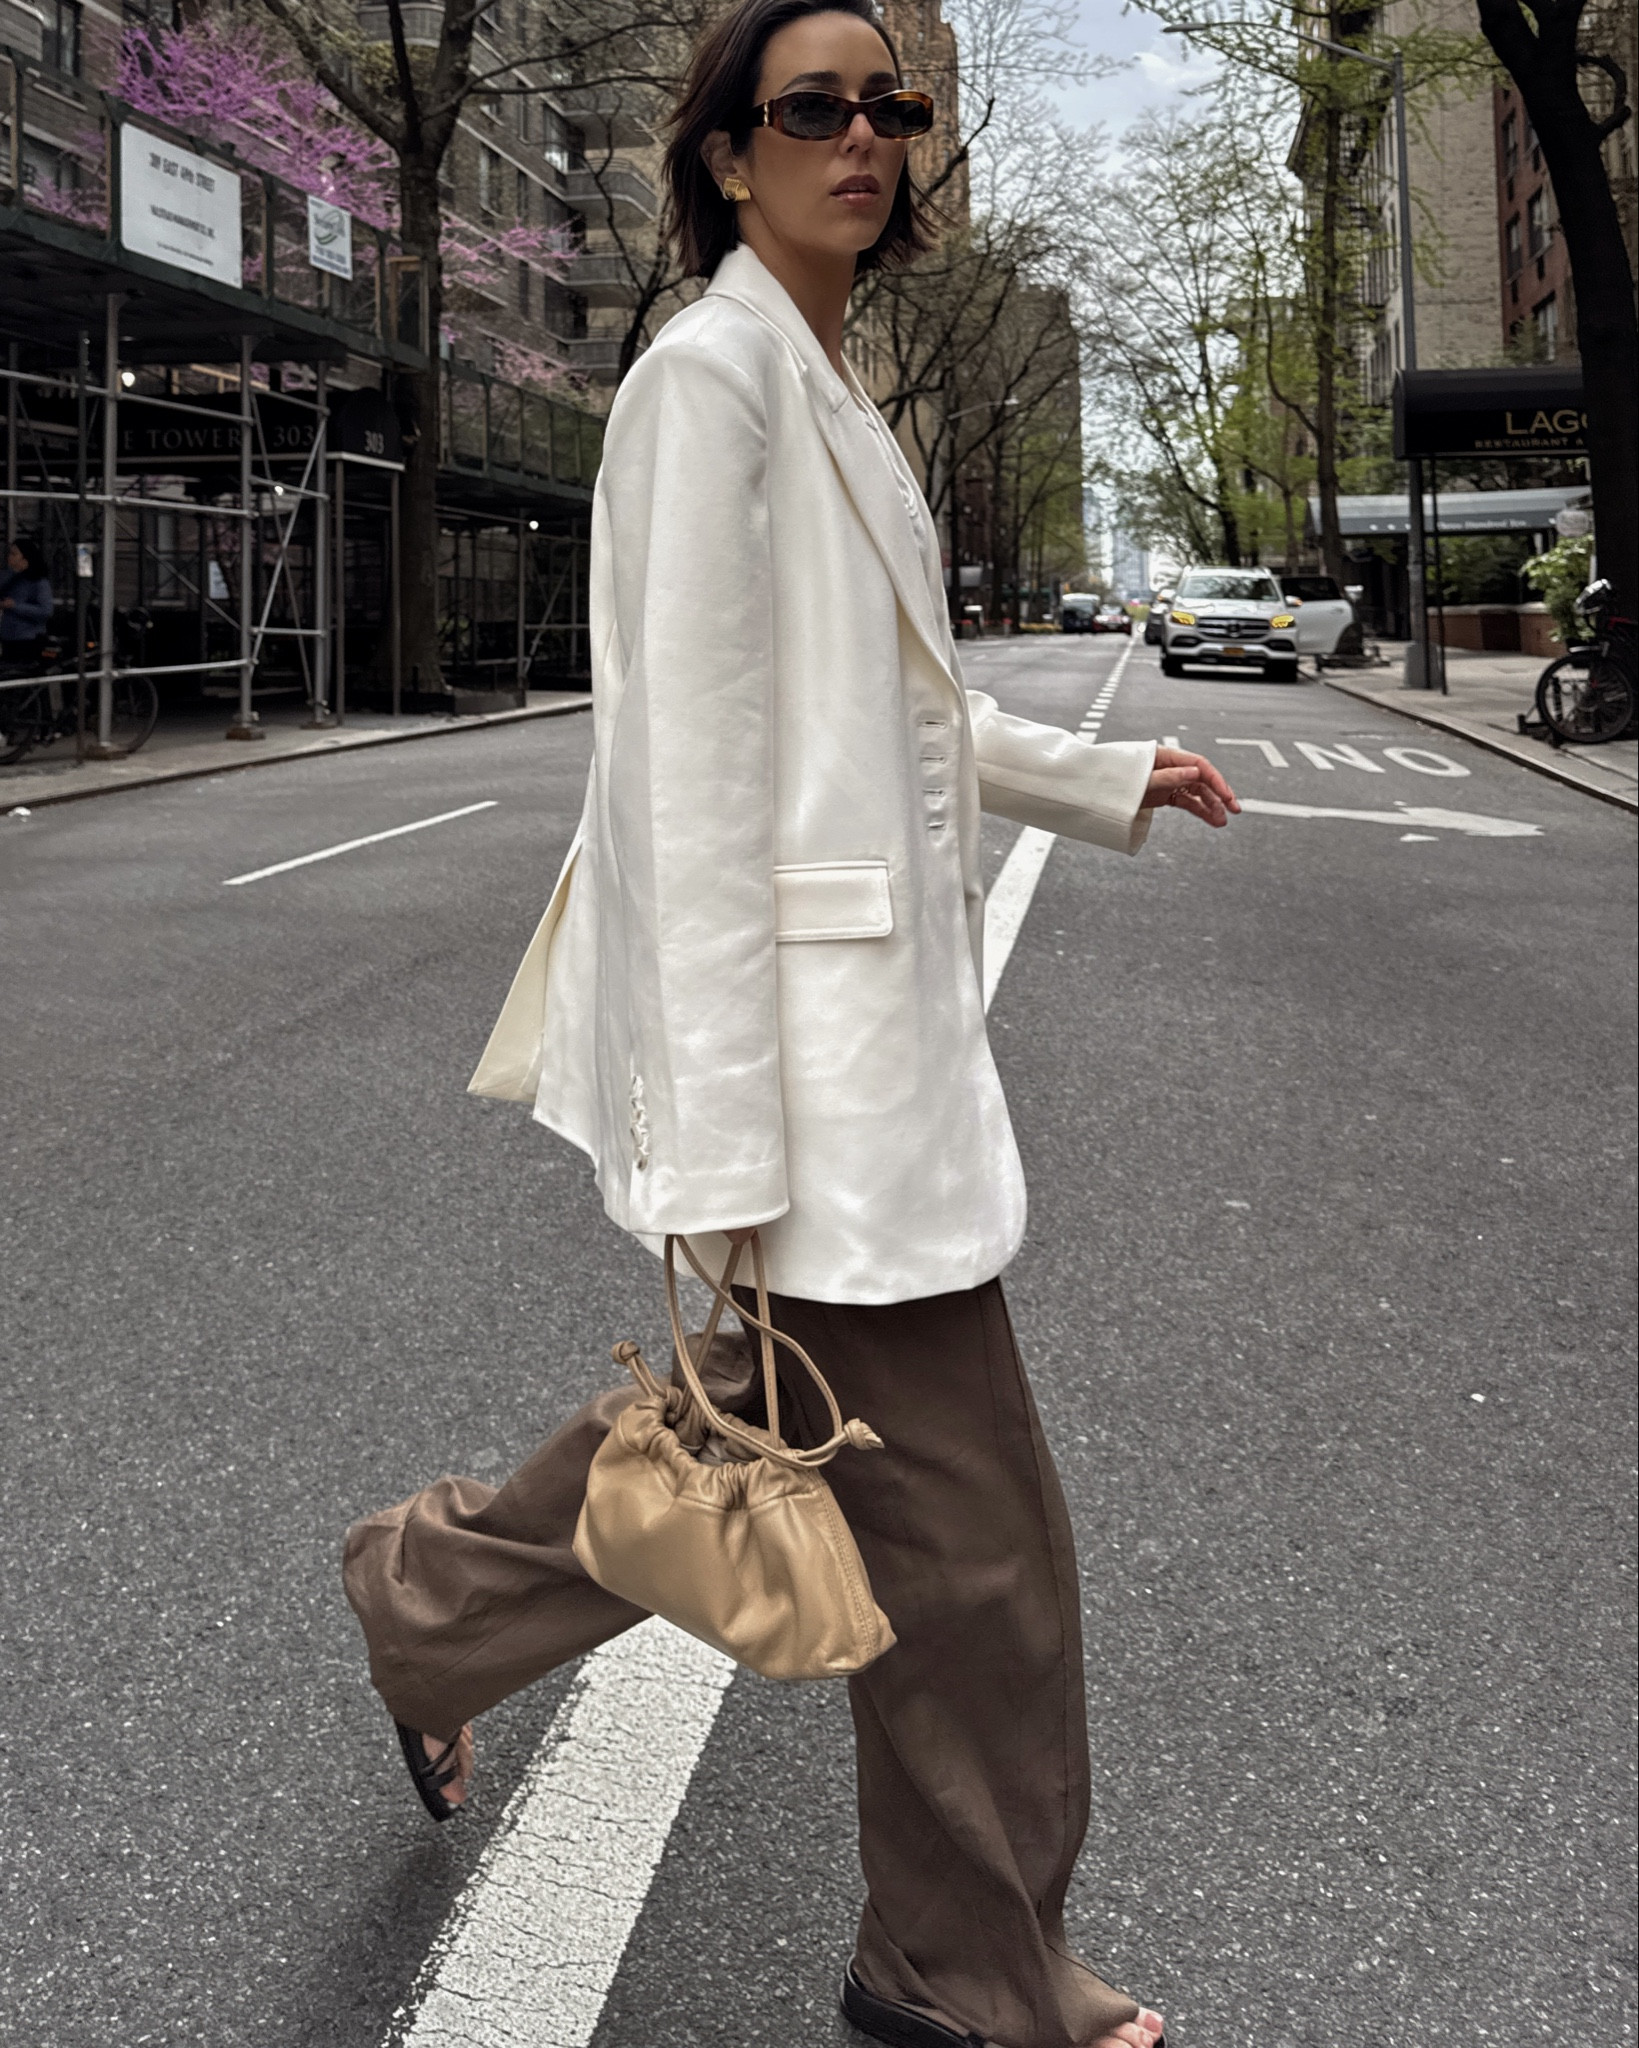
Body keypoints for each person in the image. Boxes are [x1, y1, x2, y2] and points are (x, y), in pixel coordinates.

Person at [342, 3, 1239, 2043]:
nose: (862, 133)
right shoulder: (709, 381)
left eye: (885, 105)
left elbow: (890, 714)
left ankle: (424, 1597)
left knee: (751, 1450)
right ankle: (953, 1965)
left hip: (873, 1061)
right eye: (811, 106)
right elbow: (678, 786)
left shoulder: (826, 382)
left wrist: (1103, 773)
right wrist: (720, 1150)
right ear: (728, 158)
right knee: (975, 1558)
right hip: (813, 1080)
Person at [0, 537, 54, 663]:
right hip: (9, 638)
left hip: (28, 640)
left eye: (14, 554)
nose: (9, 557)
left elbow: (46, 611)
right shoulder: (11, 578)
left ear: (25, 558)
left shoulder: (39, 582)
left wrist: (15, 606)